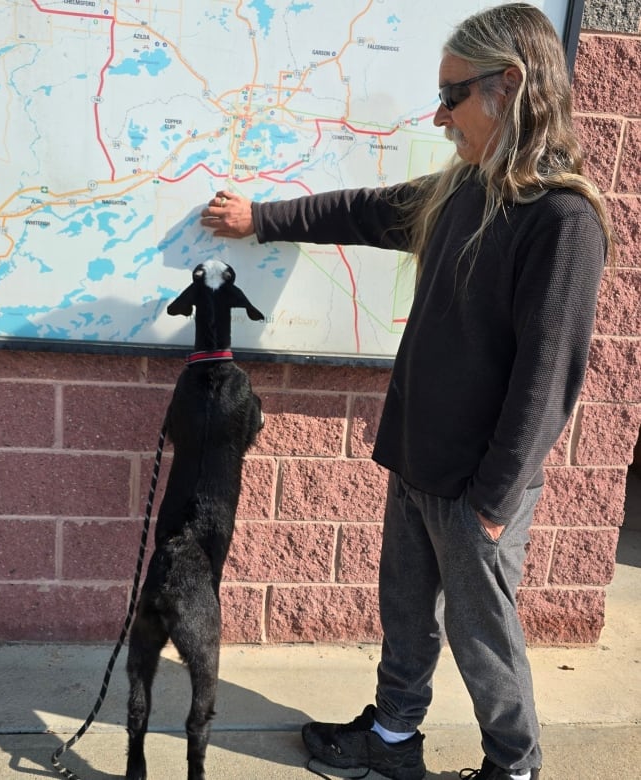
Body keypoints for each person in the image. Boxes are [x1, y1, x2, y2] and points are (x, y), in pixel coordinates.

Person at [199, 3, 614, 779]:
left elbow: (547, 379)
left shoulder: (561, 219)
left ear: (510, 86)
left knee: (482, 638)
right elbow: (366, 211)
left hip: (477, 487)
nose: (440, 112)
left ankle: (514, 766)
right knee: (405, 618)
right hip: (418, 459)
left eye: (453, 93)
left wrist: (493, 501)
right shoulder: (465, 189)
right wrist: (263, 220)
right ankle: (393, 740)